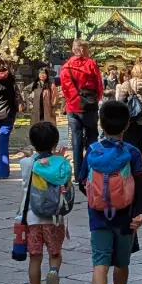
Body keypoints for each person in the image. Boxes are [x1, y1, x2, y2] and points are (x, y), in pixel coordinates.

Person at [82, 100, 142, 284]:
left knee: (99, 263)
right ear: (127, 124)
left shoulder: (92, 150)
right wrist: (140, 213)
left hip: (98, 217)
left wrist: (98, 196)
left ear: (101, 123)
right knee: (122, 261)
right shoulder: (132, 152)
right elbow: (140, 184)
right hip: (126, 217)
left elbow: (82, 181)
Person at [14, 121, 72, 284]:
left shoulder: (26, 163)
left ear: (32, 142)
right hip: (55, 219)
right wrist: (58, 157)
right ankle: (54, 271)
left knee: (35, 258)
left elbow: (32, 161)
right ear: (55, 143)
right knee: (54, 253)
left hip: (32, 219)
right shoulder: (61, 163)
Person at [60, 40, 103, 192]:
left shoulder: (66, 67)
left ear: (74, 50)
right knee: (92, 138)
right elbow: (99, 84)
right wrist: (95, 99)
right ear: (84, 50)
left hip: (73, 107)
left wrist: (73, 101)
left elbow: (65, 88)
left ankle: (78, 175)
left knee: (76, 141)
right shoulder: (91, 64)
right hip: (89, 106)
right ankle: (91, 171)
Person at [121, 59, 142, 151]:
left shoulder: (125, 84)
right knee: (138, 147)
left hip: (128, 119)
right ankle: (137, 164)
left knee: (127, 146)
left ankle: (129, 164)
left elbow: (120, 104)